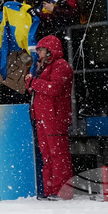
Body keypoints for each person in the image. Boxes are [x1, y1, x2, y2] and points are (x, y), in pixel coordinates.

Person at [25, 34, 74, 200]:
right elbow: (40, 89)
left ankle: (62, 191)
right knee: (48, 155)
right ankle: (51, 191)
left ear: (50, 50)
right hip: (43, 117)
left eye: (41, 50)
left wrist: (32, 82)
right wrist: (31, 82)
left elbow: (54, 88)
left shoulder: (61, 66)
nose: (38, 53)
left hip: (54, 117)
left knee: (58, 155)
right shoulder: (45, 67)